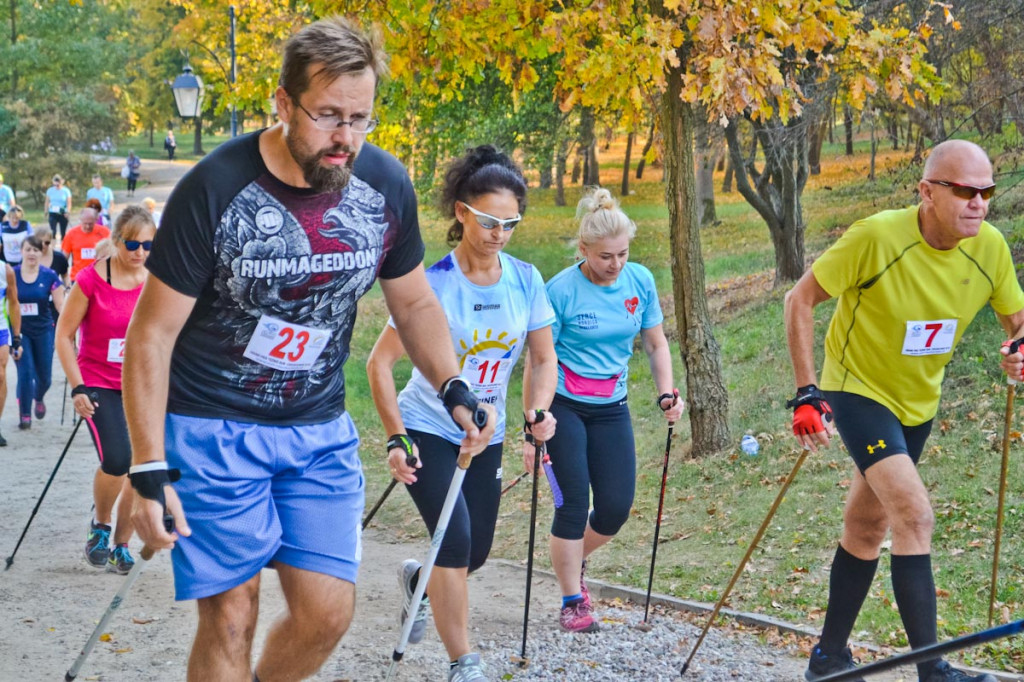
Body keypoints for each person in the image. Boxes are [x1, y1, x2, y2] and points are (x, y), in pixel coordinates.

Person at [122, 17, 495, 681]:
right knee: (232, 614)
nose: (345, 138)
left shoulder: (383, 186)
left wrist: (452, 385)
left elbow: (412, 303)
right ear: (284, 102)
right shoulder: (214, 188)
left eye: (360, 118)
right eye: (327, 116)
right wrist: (148, 465)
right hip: (213, 428)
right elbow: (151, 334)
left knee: (327, 613)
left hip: (316, 430)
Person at [784, 139, 1021, 682]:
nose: (977, 203)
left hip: (918, 404)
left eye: (986, 192)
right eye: (963, 191)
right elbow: (798, 299)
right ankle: (932, 670)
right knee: (914, 515)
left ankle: (828, 658)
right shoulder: (877, 236)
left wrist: (1019, 351)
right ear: (927, 192)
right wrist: (807, 391)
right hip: (857, 390)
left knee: (866, 526)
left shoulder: (990, 249)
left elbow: (1017, 323)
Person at [366, 146, 558, 681]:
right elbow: (378, 366)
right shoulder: (434, 285)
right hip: (429, 428)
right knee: (452, 545)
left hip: (486, 432)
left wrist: (538, 411)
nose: (500, 232)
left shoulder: (525, 279)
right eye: (490, 220)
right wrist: (395, 438)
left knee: (472, 554)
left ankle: (417, 581)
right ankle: (463, 662)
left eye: (511, 223)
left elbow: (543, 359)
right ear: (462, 212)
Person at [540, 187, 684, 634]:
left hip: (611, 408)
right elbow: (540, 359)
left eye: (622, 254)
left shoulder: (639, 281)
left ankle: (572, 559)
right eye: (605, 256)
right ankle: (571, 599)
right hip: (564, 407)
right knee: (571, 506)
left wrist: (667, 392)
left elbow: (656, 342)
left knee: (615, 508)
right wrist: (536, 416)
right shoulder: (560, 290)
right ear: (583, 250)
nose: (615, 264)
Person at [56, 206, 156, 575]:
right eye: (132, 244)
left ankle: (121, 544)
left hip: (144, 383)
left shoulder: (156, 280)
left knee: (141, 467)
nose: (140, 252)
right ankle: (100, 526)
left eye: (148, 245)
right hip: (99, 381)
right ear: (115, 241)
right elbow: (64, 336)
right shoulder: (90, 280)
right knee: (117, 458)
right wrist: (77, 386)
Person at [14, 236, 64, 429]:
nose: (32, 253)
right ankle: (25, 414)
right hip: (20, 330)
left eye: (36, 250)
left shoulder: (49, 276)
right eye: (28, 249)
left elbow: (60, 305)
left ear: (40, 252)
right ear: (21, 252)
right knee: (25, 373)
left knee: (45, 377)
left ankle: (38, 396)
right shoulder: (12, 274)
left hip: (44, 330)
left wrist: (74, 324)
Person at [0, 262, 22, 445]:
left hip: (0, 329)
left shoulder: (6, 271)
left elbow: (13, 302)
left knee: (0, 375)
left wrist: (16, 336)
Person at [63, 207, 111, 282]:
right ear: (80, 220)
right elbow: (64, 258)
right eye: (85, 223)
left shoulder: (105, 232)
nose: (87, 226)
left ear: (96, 220)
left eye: (90, 224)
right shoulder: (71, 234)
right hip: (78, 278)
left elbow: (113, 253)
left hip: (100, 278)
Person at [44, 174, 72, 241]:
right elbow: (47, 202)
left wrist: (68, 211)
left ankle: (63, 249)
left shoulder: (66, 191)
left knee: (63, 233)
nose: (57, 184)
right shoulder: (50, 190)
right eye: (55, 182)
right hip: (53, 212)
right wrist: (46, 211)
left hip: (63, 212)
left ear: (62, 181)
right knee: (53, 232)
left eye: (58, 182)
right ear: (53, 182)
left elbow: (69, 203)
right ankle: (53, 249)